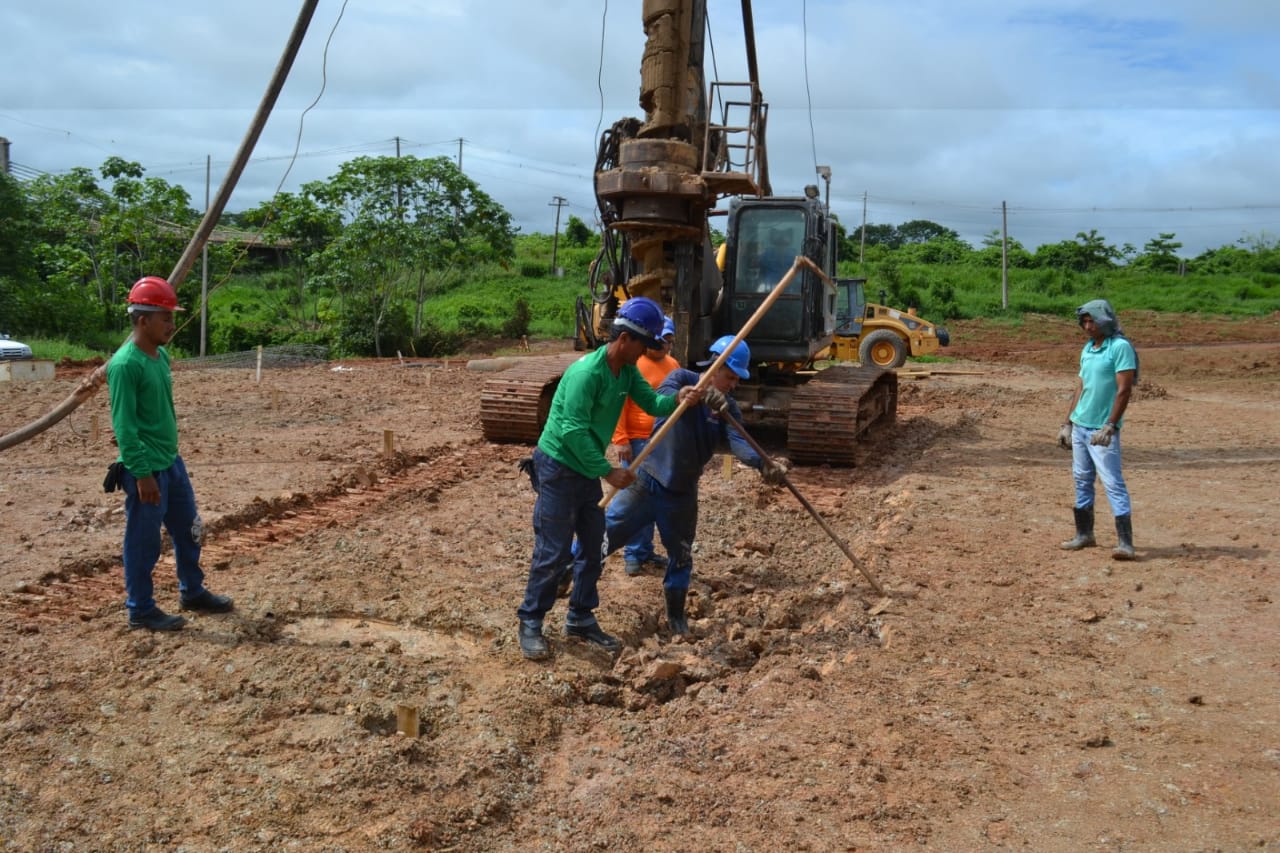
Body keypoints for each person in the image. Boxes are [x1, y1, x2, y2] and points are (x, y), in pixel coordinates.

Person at [516, 297, 702, 660]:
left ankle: (580, 617)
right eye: (643, 345)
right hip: (558, 466)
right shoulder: (588, 374)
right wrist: (608, 472)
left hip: (584, 470)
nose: (646, 353)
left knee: (593, 546)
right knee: (553, 550)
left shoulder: (627, 371)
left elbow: (652, 405)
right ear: (625, 340)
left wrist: (678, 397)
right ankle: (531, 621)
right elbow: (572, 432)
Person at [595, 335, 787, 635]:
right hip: (647, 480)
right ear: (715, 365)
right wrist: (693, 396)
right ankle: (568, 573)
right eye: (730, 377)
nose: (732, 385)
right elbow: (668, 399)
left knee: (681, 555)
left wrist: (763, 463)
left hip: (682, 493)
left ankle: (676, 617)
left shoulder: (728, 409)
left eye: (736, 380)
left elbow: (740, 445)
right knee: (604, 534)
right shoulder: (681, 377)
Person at [106, 276, 234, 631]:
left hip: (171, 462)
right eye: (165, 318)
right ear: (143, 320)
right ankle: (141, 609)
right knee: (143, 543)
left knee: (189, 529)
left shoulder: (160, 355)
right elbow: (125, 428)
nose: (171, 325)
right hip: (145, 469)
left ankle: (192, 591)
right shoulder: (125, 365)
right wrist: (143, 474)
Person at [1057, 298, 1138, 560]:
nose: (1088, 326)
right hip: (1080, 426)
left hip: (1101, 431)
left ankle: (1125, 543)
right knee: (1082, 479)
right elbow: (1080, 387)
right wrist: (1067, 423)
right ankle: (1084, 534)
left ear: (1106, 321)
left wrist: (1110, 426)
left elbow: (1124, 390)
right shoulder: (1088, 349)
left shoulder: (1120, 348)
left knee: (1112, 482)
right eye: (1085, 322)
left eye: (1093, 321)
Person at [610, 315, 680, 576]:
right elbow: (619, 404)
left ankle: (644, 550)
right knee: (633, 500)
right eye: (662, 340)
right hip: (637, 441)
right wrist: (621, 439)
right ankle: (632, 554)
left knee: (653, 497)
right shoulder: (633, 364)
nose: (665, 346)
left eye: (670, 341)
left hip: (662, 442)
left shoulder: (673, 365)